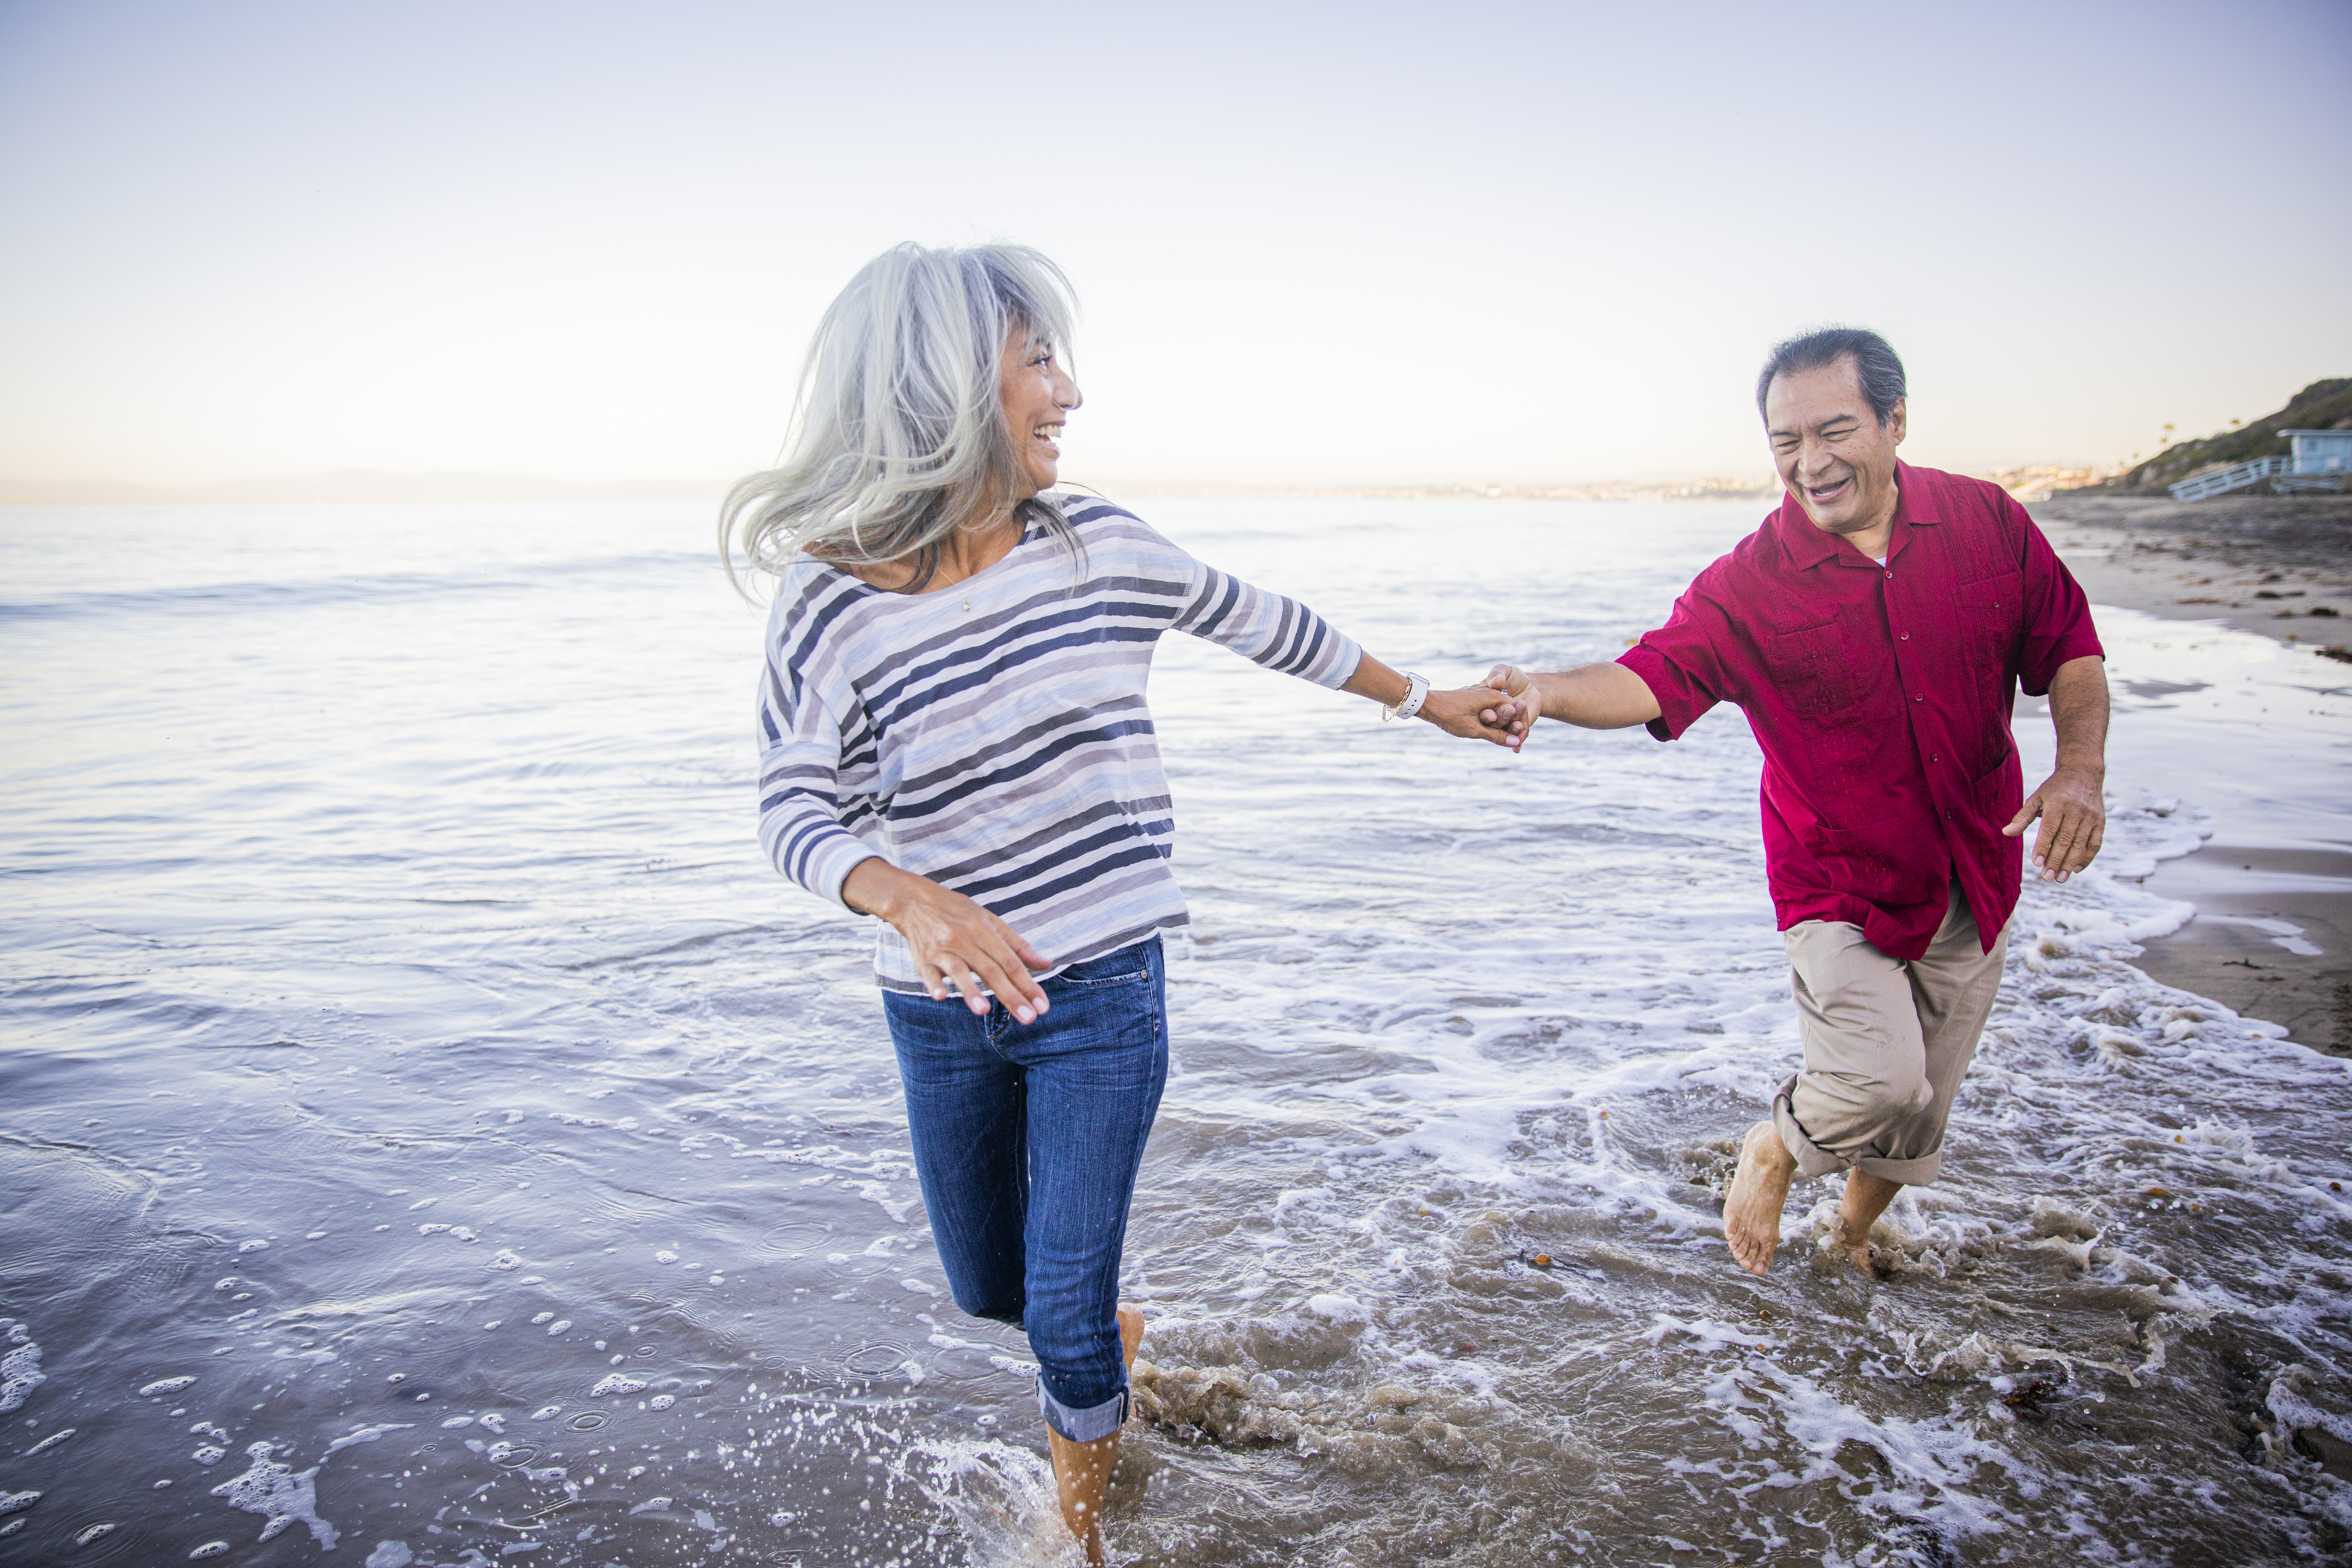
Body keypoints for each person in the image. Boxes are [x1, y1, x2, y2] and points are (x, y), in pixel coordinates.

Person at [722, 241, 1523, 1560]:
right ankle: (1095, 1342)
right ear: (941, 384)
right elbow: (792, 811)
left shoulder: (1092, 542)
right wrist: (906, 898)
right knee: (992, 1290)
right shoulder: (827, 604)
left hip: (1102, 990)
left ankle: (1081, 1542)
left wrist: (1426, 701)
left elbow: (1265, 622)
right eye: (1040, 362)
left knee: (1065, 1308)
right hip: (942, 1006)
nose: (1071, 394)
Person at [1480, 327, 2108, 1277]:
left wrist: (2080, 771)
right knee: (1878, 1080)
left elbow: (2069, 647)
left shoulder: (1986, 521)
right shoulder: (1751, 582)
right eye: (1785, 442)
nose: (1810, 464)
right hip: (1839, 882)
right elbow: (1651, 675)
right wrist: (1544, 691)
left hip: (1976, 866)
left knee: (1921, 1104)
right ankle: (1773, 1146)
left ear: (1896, 422)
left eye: (1835, 431)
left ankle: (1850, 1236)